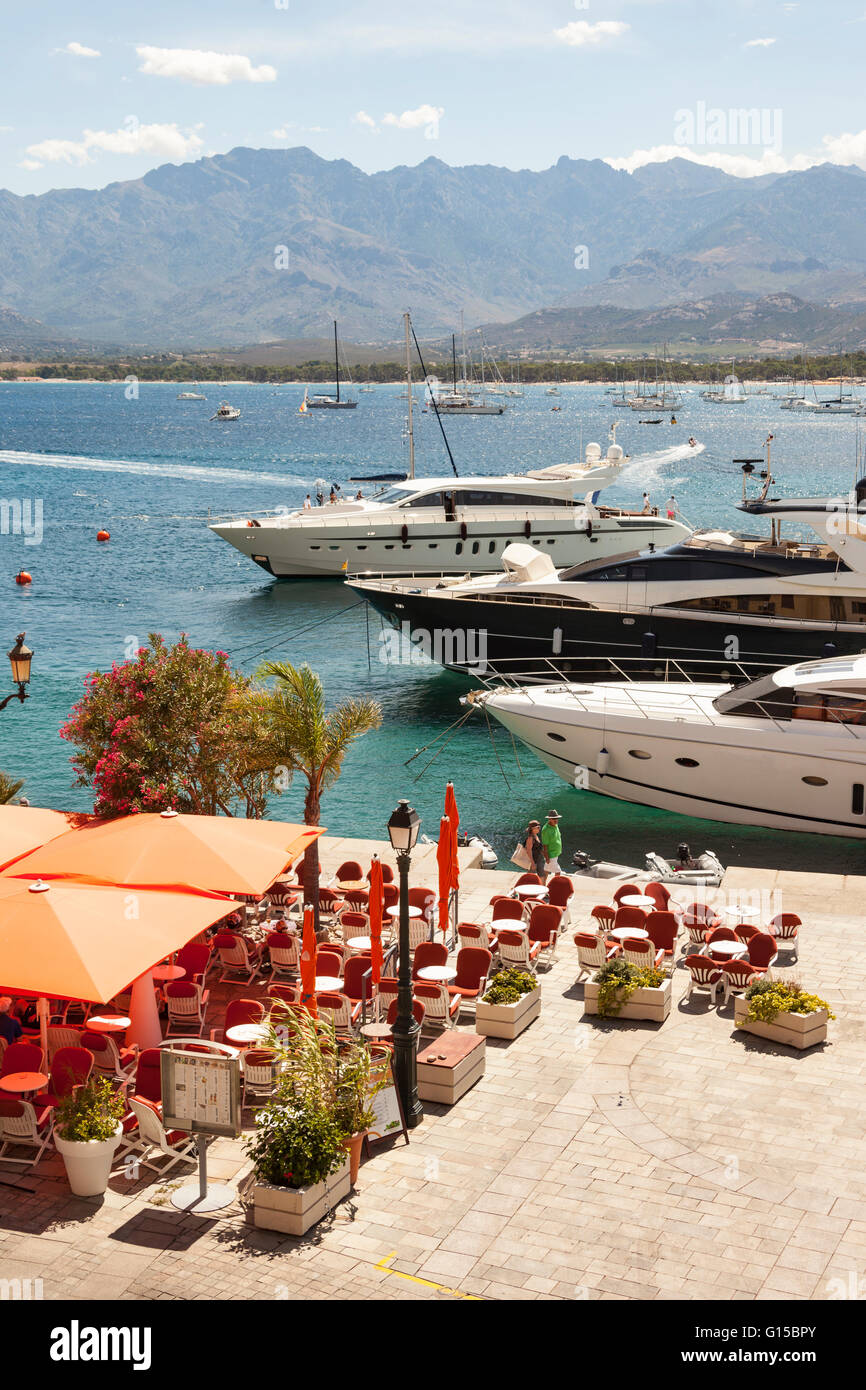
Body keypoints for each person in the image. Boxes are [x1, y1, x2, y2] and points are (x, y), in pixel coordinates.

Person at [540, 810, 563, 879]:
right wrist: (547, 857)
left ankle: (542, 884)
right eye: (554, 819)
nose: (556, 820)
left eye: (556, 818)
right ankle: (555, 885)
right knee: (558, 872)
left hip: (555, 853)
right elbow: (545, 844)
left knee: (546, 870)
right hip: (551, 855)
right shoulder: (546, 829)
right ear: (549, 819)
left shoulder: (555, 825)